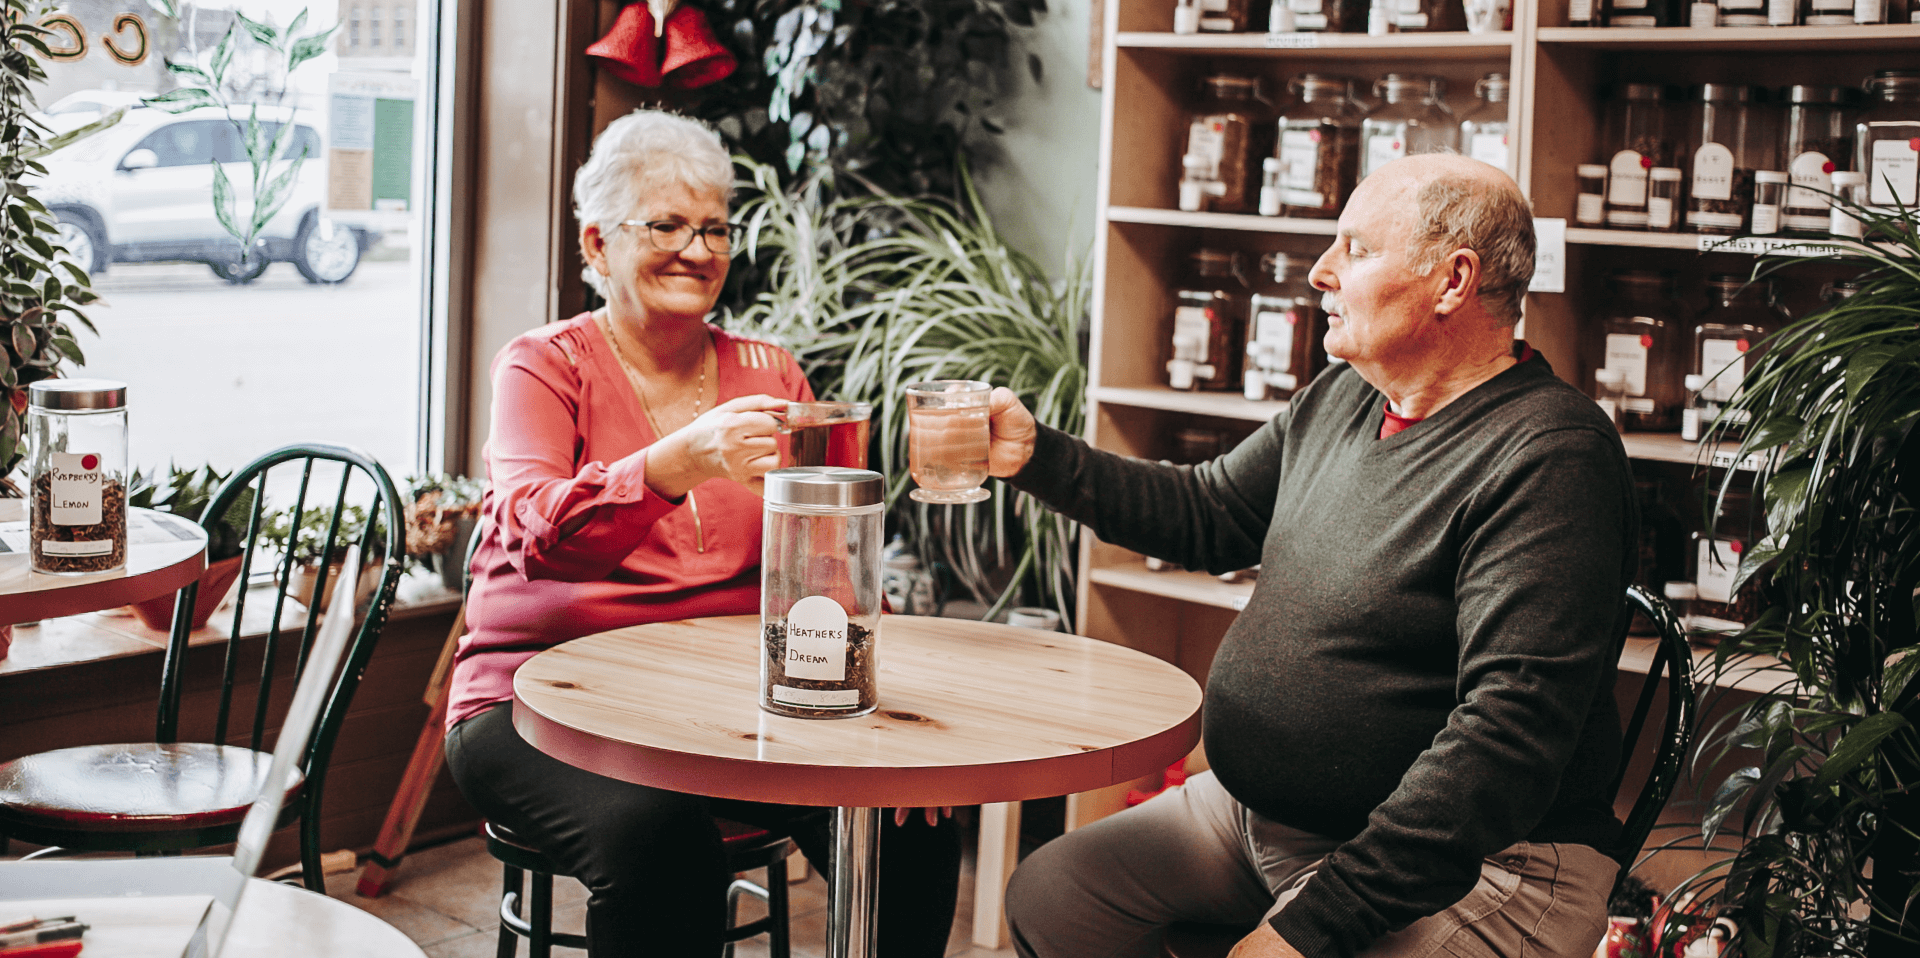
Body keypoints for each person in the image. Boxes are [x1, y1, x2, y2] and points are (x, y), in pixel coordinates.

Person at [989, 154, 1634, 958]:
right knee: (1055, 898)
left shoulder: (1551, 456)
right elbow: (1208, 512)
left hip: (1482, 864)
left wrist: (1311, 926)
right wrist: (1034, 457)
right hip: (1263, 823)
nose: (1321, 272)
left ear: (1453, 280)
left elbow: (1505, 739)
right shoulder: (1346, 397)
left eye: (1355, 249)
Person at [443, 109, 960, 957]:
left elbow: (832, 563)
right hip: (533, 703)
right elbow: (537, 539)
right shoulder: (544, 365)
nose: (699, 248)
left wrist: (886, 718)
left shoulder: (770, 372)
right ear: (598, 245)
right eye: (669, 224)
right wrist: (673, 463)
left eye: (715, 227)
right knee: (661, 843)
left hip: (723, 704)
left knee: (911, 828)